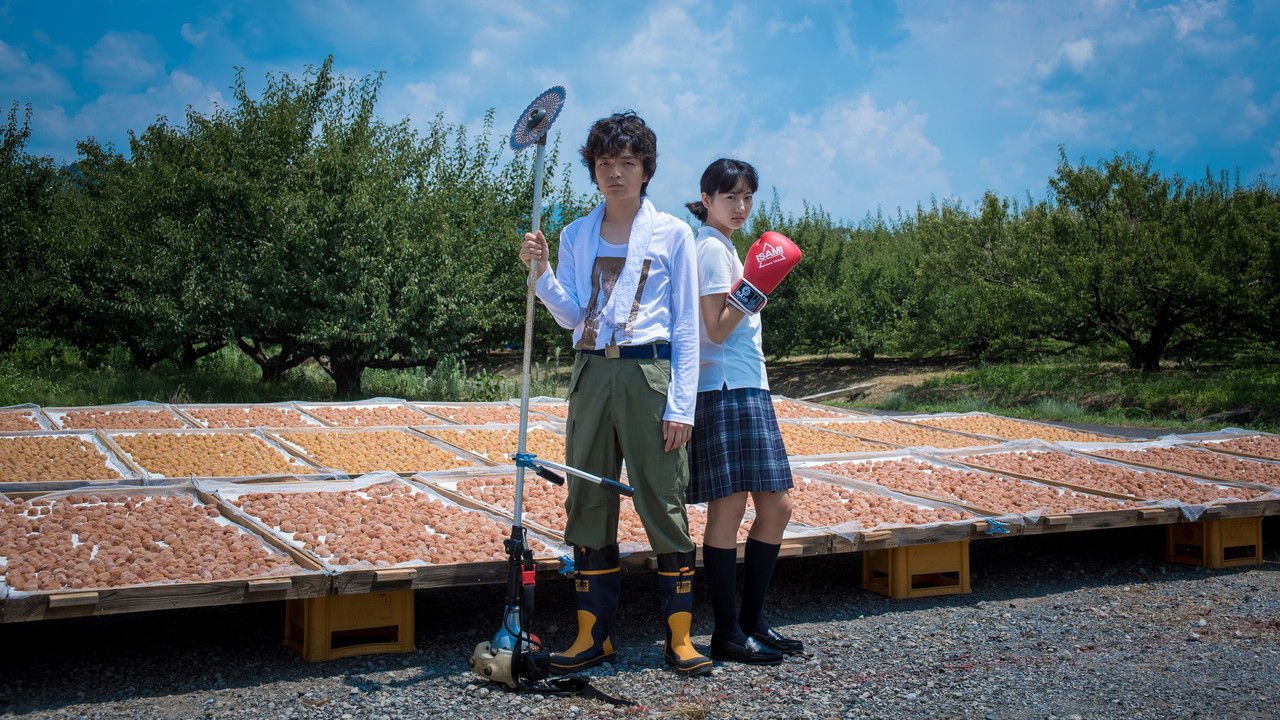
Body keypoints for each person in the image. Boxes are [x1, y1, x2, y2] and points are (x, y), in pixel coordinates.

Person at [518, 111, 711, 676]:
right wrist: (544, 273)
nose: (616, 174)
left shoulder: (674, 233)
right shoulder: (576, 233)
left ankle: (679, 637)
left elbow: (684, 328)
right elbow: (574, 316)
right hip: (590, 375)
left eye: (628, 163)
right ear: (593, 170)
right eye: (606, 164)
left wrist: (682, 406)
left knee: (662, 496)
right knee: (587, 498)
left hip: (649, 375)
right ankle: (591, 636)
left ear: (646, 168)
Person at [684, 158, 804, 664]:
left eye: (747, 197)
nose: (740, 207)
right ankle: (729, 633)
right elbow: (714, 327)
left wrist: (754, 284)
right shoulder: (711, 248)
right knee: (731, 510)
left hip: (746, 386)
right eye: (729, 196)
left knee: (776, 506)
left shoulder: (725, 247)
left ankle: (749, 622)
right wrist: (757, 287)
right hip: (727, 386)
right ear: (707, 199)